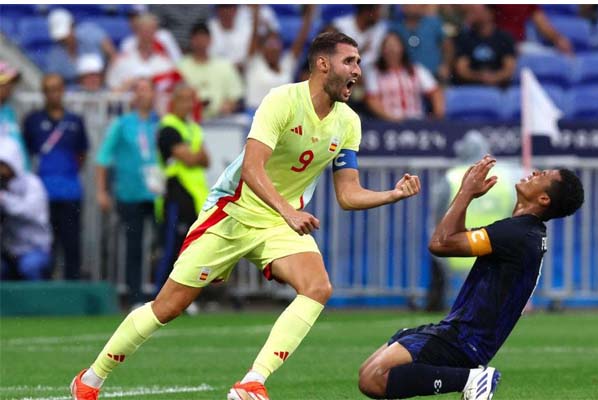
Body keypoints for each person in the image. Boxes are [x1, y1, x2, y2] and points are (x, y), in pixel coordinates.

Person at [70, 31, 421, 400]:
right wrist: (288, 211)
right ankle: (91, 379)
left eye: (359, 63)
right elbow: (253, 169)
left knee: (318, 288)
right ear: (322, 64)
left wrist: (392, 194)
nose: (358, 71)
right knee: (167, 307)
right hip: (233, 212)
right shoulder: (282, 100)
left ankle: (252, 382)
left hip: (277, 222)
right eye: (350, 61)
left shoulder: (349, 122)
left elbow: (348, 194)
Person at [357, 155, 584, 399]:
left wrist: (466, 192)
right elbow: (452, 238)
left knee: (374, 378)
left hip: (464, 339)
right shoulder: (525, 232)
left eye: (544, 175)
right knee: (367, 372)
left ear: (544, 199)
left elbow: (440, 244)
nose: (536, 171)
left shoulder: (518, 233)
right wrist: (468, 195)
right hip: (461, 333)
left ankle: (474, 379)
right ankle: (473, 378)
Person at [427, 133, 523, 311]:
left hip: (459, 248)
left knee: (460, 308)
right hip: (497, 246)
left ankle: (440, 304)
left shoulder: (451, 177)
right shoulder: (508, 176)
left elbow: (437, 216)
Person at [95, 79, 160, 307]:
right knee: (134, 245)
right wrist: (102, 190)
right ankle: (135, 296)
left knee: (163, 244)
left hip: (157, 194)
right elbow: (102, 158)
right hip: (129, 193)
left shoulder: (159, 123)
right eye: (140, 90)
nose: (144, 95)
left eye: (148, 89)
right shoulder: (122, 124)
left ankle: (165, 294)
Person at [23, 74, 89, 281]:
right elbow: (26, 153)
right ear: (43, 93)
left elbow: (81, 154)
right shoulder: (32, 121)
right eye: (49, 89)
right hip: (41, 194)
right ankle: (46, 288)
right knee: (44, 244)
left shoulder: (75, 121)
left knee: (71, 243)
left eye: (58, 88)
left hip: (70, 191)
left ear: (63, 91)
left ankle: (72, 289)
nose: (54, 93)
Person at [152, 84, 210, 292]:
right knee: (171, 248)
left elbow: (205, 160)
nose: (188, 104)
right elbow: (189, 157)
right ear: (173, 101)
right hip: (175, 195)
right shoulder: (168, 128)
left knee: (189, 251)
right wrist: (195, 156)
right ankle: (159, 293)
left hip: (194, 197)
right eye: (183, 99)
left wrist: (194, 156)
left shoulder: (193, 127)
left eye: (190, 100)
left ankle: (181, 296)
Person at [0, 137, 52, 281]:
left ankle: (38, 303)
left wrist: (4, 199)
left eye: (3, 164)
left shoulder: (32, 183)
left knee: (30, 267)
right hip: (7, 251)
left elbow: (29, 211)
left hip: (34, 250)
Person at [244, 5, 315, 110]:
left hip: (282, 117)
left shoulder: (287, 64)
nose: (273, 48)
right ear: (262, 48)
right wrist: (256, 13)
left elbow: (301, 39)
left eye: (276, 44)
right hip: (255, 115)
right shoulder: (255, 63)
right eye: (270, 44)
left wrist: (309, 13)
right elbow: (254, 36)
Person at [364, 31, 445, 122]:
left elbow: (435, 92)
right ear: (382, 51)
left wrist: (437, 115)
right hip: (387, 123)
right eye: (388, 46)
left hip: (416, 121)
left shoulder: (416, 70)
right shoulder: (374, 73)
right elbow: (372, 100)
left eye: (395, 45)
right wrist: (391, 118)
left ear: (402, 48)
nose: (392, 49)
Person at [179, 23, 244, 120]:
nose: (200, 42)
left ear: (210, 40)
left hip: (220, 121)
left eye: (203, 38)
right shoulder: (181, 67)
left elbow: (237, 96)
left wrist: (230, 105)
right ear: (191, 41)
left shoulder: (224, 65)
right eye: (197, 38)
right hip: (189, 120)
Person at [106, 13, 179, 92]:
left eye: (150, 30)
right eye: (144, 30)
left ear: (155, 32)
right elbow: (112, 91)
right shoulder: (120, 61)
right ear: (136, 31)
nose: (147, 34)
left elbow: (171, 92)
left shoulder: (166, 64)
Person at [45, 8, 115, 85]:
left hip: (104, 86)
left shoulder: (90, 33)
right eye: (61, 38)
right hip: (73, 94)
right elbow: (53, 81)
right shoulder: (55, 56)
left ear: (73, 26)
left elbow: (113, 55)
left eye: (65, 35)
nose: (63, 40)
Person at [453, 5, 517, 87]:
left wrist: (493, 78)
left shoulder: (504, 38)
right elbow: (462, 69)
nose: (472, 14)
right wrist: (480, 77)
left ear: (490, 13)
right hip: (471, 87)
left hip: (498, 89)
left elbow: (509, 69)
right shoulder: (465, 38)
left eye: (475, 11)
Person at [390, 5, 452, 82]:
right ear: (403, 7)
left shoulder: (434, 22)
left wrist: (445, 65)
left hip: (434, 75)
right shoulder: (396, 27)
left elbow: (447, 46)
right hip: (407, 77)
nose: (413, 7)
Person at [209, 4, 280, 69]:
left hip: (246, 68)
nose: (227, 12)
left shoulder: (244, 26)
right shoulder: (210, 28)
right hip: (220, 70)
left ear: (235, 10)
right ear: (217, 11)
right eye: (223, 8)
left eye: (230, 8)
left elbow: (271, 37)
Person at [493, 5, 573, 55]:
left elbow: (541, 22)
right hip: (496, 45)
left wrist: (558, 39)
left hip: (520, 45)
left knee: (561, 55)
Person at [0, 62, 29, 170]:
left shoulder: (9, 111)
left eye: (11, 83)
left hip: (16, 178)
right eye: (6, 82)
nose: (10, 87)